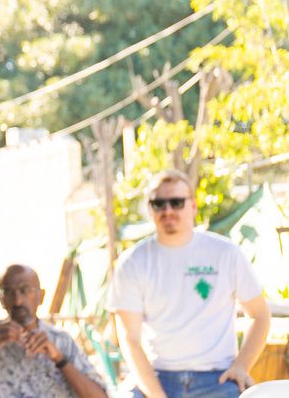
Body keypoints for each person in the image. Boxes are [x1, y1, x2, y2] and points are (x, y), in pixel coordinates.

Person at [109, 169, 270, 398]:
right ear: (150, 209)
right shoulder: (132, 262)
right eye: (159, 204)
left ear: (193, 206)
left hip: (218, 377)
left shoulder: (226, 253)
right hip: (157, 376)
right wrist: (156, 394)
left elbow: (260, 315)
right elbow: (129, 339)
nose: (168, 211)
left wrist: (242, 366)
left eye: (176, 202)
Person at [0, 264, 109, 398]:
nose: (17, 300)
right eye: (9, 292)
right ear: (1, 300)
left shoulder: (61, 341)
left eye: (25, 290)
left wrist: (59, 359)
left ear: (41, 296)